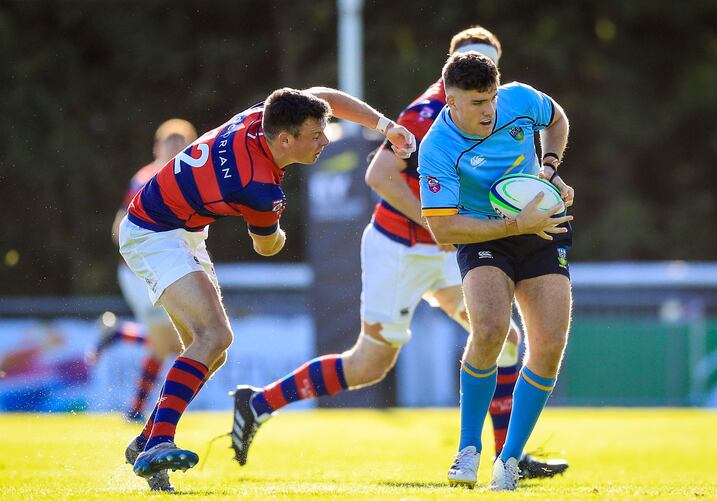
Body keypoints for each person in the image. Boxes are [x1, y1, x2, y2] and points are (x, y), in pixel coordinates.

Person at [227, 26, 567, 480]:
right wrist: (435, 225)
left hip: (461, 242)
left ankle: (509, 456)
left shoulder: (499, 103)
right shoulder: (430, 113)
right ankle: (258, 403)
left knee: (501, 337)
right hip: (401, 248)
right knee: (369, 364)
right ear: (452, 70)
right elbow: (379, 174)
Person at [118, 88, 415, 490]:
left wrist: (386, 127)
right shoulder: (259, 188)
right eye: (316, 135)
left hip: (179, 228)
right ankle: (160, 442)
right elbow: (267, 245)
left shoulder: (270, 112)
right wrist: (279, 229)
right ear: (286, 140)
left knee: (212, 350)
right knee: (216, 335)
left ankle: (146, 440)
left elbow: (324, 96)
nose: (325, 141)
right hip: (155, 231)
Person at [418, 52, 574, 491]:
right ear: (450, 100)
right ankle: (468, 449)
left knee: (550, 341)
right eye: (475, 103)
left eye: (490, 98)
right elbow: (443, 226)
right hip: (482, 235)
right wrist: (511, 224)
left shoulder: (520, 99)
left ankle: (509, 461)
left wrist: (548, 169)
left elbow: (557, 119)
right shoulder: (437, 147)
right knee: (489, 329)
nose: (488, 110)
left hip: (540, 225)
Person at [88, 123, 196, 431]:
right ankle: (141, 413)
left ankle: (121, 337)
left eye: (182, 141)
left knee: (175, 343)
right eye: (170, 142)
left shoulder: (188, 180)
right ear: (156, 149)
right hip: (140, 274)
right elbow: (119, 228)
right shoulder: (146, 179)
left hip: (162, 272)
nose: (176, 147)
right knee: (174, 344)